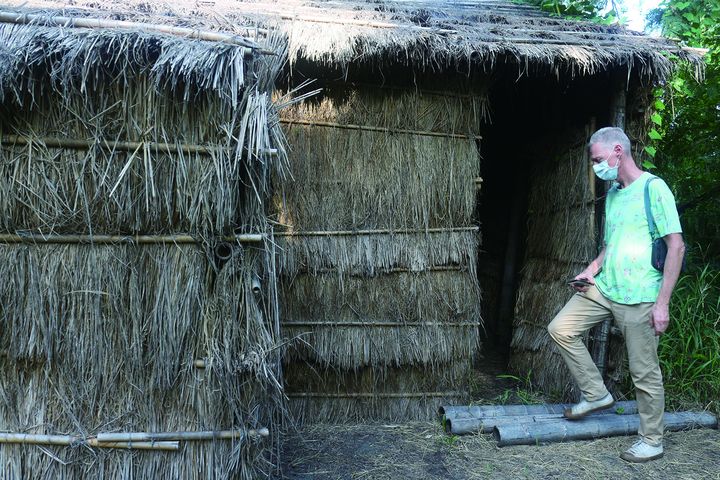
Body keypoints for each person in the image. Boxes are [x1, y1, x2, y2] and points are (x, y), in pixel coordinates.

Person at [547, 127, 685, 463]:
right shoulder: (613, 195)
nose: (596, 166)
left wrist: (662, 303)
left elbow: (676, 246)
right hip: (606, 287)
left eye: (597, 159)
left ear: (618, 151)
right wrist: (590, 270)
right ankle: (596, 394)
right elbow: (609, 247)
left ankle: (652, 440)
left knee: (644, 372)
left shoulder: (654, 188)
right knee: (561, 328)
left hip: (640, 295)